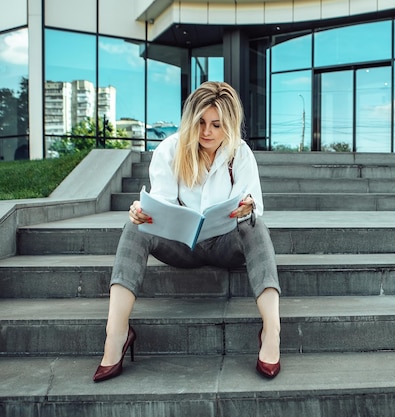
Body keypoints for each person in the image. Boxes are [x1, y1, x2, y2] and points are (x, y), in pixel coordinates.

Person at [93, 81, 281, 382]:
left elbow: (254, 203)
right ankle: (116, 333)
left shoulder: (240, 153)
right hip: (182, 247)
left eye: (217, 125)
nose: (207, 132)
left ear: (229, 125)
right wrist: (143, 213)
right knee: (134, 229)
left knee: (256, 227)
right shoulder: (170, 149)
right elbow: (162, 204)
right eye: (201, 123)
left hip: (225, 246)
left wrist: (248, 207)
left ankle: (272, 331)